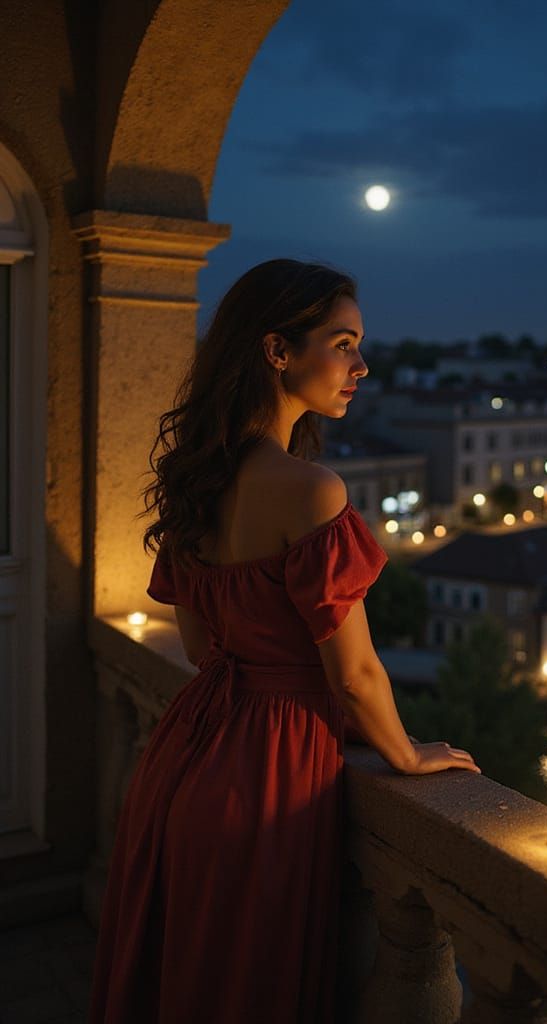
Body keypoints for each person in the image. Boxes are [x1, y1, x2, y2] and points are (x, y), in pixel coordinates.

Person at [87, 258, 481, 1024]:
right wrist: (406, 754)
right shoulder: (313, 491)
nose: (361, 365)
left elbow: (202, 645)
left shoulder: (195, 479)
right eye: (343, 344)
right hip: (272, 766)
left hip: (186, 754)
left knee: (183, 972)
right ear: (277, 351)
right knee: (247, 982)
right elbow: (357, 674)